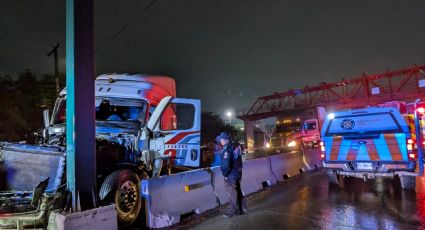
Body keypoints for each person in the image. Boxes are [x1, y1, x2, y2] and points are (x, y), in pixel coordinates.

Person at [217, 132, 246, 218]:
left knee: (231, 193)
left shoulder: (226, 149)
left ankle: (232, 211)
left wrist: (225, 174)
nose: (220, 141)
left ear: (224, 140)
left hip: (231, 174)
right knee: (238, 190)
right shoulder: (236, 146)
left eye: (221, 139)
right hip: (238, 171)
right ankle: (241, 209)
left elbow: (226, 164)